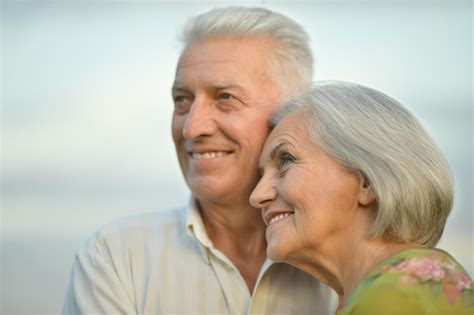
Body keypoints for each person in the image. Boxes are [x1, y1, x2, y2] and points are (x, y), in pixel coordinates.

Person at [63, 7, 337, 314]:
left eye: (225, 98)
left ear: (290, 114)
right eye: (182, 100)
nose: (192, 127)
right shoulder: (115, 259)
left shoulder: (354, 261)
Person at [250, 81, 473, 315]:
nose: (257, 196)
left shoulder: (397, 295)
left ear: (367, 180)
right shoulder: (390, 291)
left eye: (286, 160)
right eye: (261, 175)